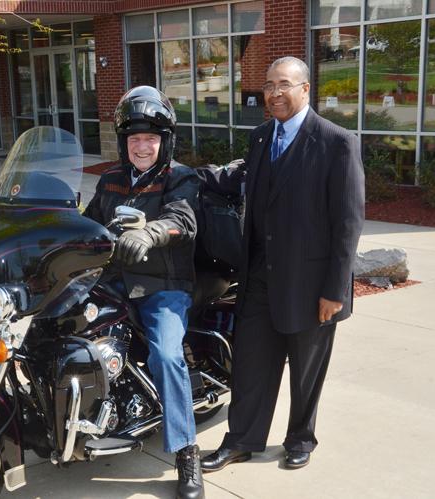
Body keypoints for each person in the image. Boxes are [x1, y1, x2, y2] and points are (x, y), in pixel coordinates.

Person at [200, 56, 365, 472]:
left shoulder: (336, 142)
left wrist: (335, 290)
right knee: (251, 365)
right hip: (258, 278)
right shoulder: (259, 139)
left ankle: (300, 439)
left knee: (306, 371)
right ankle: (241, 440)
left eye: (284, 84)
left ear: (306, 89)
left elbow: (348, 223)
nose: (274, 93)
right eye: (269, 85)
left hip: (311, 285)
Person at [83, 86, 205, 499]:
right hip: (113, 280)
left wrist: (152, 232)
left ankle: (187, 451)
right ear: (124, 142)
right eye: (134, 138)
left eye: (150, 138)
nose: (142, 146)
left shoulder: (180, 177)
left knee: (167, 355)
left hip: (162, 285)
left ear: (164, 141)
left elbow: (181, 220)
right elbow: (88, 222)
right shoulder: (112, 179)